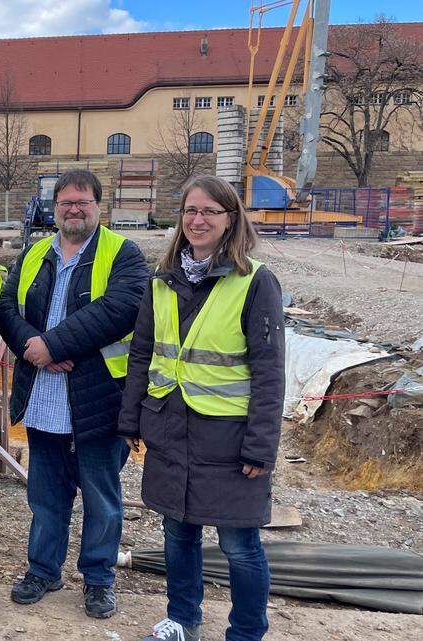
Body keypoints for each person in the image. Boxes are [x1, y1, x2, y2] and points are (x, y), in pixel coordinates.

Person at [118, 175, 283, 641]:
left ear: (231, 219)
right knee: (178, 534)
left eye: (211, 211)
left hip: (228, 439)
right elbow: (143, 353)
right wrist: (131, 418)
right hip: (170, 430)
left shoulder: (255, 282)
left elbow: (270, 373)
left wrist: (260, 448)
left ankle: (247, 632)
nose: (198, 220)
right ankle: (183, 621)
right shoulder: (162, 281)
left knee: (239, 545)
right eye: (191, 210)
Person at [0, 169, 147, 618]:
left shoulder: (124, 253)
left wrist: (54, 345)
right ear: (55, 207)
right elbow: (7, 307)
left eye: (83, 201)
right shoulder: (34, 254)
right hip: (44, 400)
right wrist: (32, 347)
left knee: (101, 499)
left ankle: (99, 580)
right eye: (66, 202)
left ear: (99, 206)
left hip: (98, 401)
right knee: (46, 496)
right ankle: (43, 570)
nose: (74, 209)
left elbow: (122, 307)